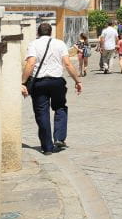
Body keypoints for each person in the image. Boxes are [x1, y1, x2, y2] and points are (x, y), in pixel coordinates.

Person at [21, 23, 83, 154]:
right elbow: (67, 63)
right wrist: (77, 81)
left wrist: (22, 82)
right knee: (60, 107)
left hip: (39, 83)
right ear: (51, 32)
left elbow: (31, 63)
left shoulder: (34, 44)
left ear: (38, 33)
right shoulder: (60, 44)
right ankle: (59, 138)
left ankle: (47, 147)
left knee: (42, 113)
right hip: (57, 82)